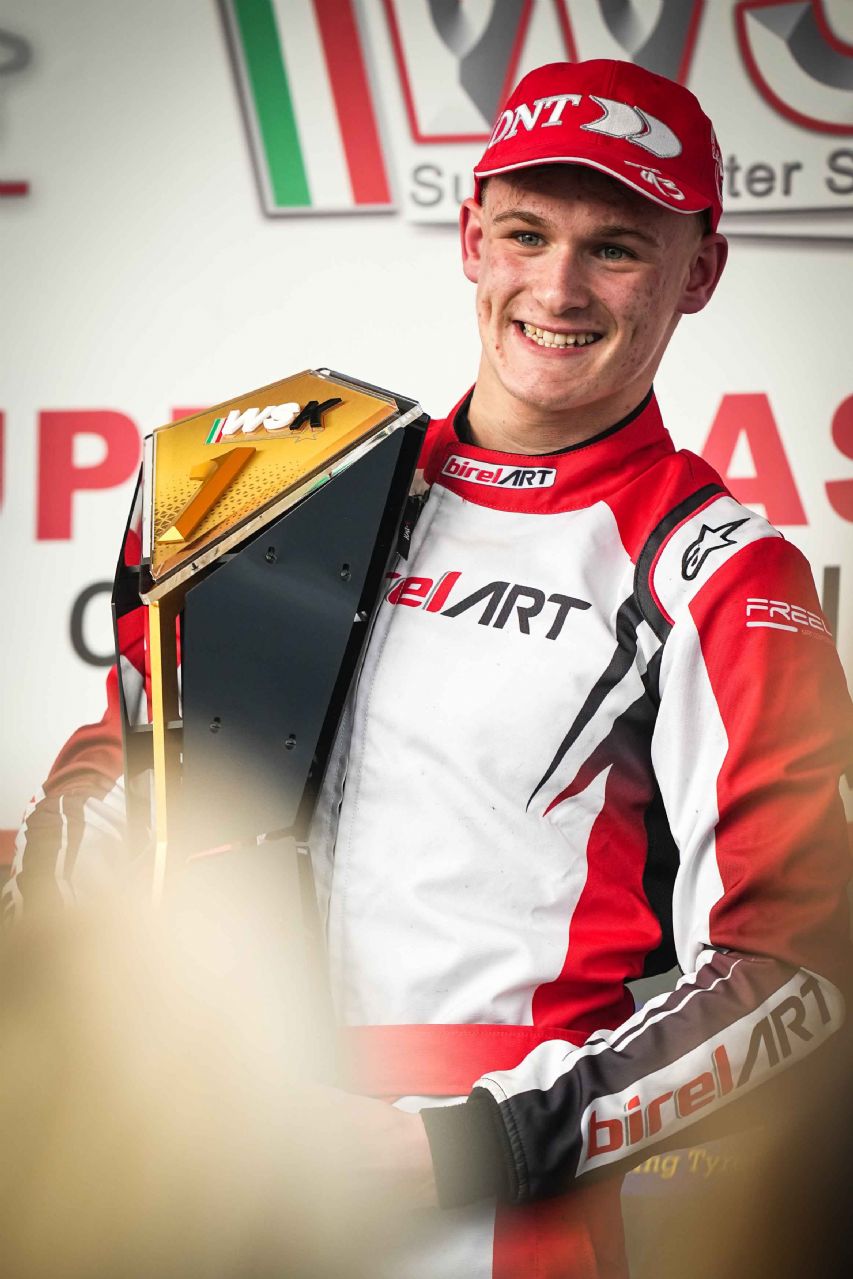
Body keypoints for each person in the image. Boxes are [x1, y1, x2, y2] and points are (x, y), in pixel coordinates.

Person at [6, 60, 852, 1278]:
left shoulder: (717, 568)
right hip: (214, 1179)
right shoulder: (281, 484)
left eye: (615, 249)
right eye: (527, 234)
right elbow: (124, 775)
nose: (556, 288)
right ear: (471, 239)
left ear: (698, 272)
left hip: (497, 1219)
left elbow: (792, 974)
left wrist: (463, 1145)